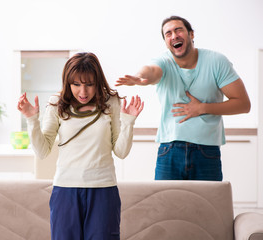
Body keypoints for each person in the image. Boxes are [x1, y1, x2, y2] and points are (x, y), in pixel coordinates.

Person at [17, 52, 144, 240]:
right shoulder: (56, 104)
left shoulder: (111, 102)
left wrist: (129, 122)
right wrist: (31, 119)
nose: (83, 92)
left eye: (89, 84)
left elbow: (121, 151)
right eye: (76, 84)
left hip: (103, 190)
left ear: (98, 82)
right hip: (65, 191)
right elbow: (42, 151)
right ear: (67, 83)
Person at [116, 15, 250, 181]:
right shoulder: (164, 61)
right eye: (168, 33)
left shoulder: (217, 62)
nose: (174, 36)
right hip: (170, 150)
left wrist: (202, 108)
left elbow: (243, 104)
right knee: (167, 206)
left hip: (207, 151)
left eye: (178, 30)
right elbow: (151, 70)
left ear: (191, 34)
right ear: (166, 42)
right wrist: (138, 77)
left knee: (208, 206)